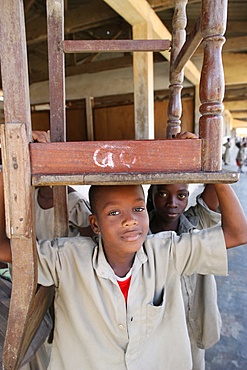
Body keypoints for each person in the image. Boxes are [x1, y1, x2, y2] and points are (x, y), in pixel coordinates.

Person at [1, 179, 247, 369]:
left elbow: (238, 233)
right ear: (94, 224)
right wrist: (5, 176)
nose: (130, 221)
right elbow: (4, 249)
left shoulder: (167, 252)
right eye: (114, 213)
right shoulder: (66, 259)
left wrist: (214, 171)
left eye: (138, 208)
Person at [147, 183, 221, 370]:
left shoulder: (197, 226)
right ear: (151, 195)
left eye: (181, 196)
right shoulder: (137, 234)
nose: (172, 203)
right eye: (162, 194)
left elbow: (218, 184)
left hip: (191, 330)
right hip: (153, 334)